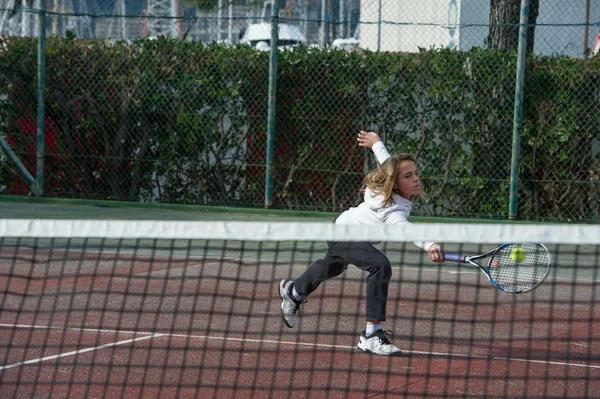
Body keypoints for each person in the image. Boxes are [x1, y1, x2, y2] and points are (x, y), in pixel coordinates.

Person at [278, 131, 445, 356]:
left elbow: (385, 159)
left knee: (333, 266)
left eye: (415, 173)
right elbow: (405, 229)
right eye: (407, 176)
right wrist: (429, 244)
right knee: (380, 265)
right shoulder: (393, 209)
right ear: (394, 182)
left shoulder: (394, 186)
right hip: (345, 233)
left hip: (343, 228)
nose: (415, 178)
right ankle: (371, 334)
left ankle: (294, 291)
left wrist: (376, 142)